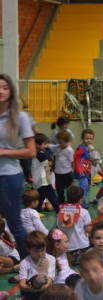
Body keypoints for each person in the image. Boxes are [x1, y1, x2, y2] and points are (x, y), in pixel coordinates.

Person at [0, 74, 36, 258]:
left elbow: (31, 151)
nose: (1, 91)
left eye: (5, 87)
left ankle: (28, 264)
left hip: (9, 176)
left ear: (11, 91)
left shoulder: (19, 117)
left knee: (14, 224)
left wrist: (3, 152)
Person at [57, 185, 92, 265]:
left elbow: (59, 228)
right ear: (80, 200)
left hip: (67, 249)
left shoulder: (61, 212)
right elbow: (88, 229)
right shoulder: (84, 212)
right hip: (82, 248)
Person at [19, 231, 56, 300]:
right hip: (30, 291)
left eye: (43, 250)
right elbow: (22, 284)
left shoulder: (51, 259)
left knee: (43, 279)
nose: (40, 254)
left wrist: (39, 289)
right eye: (36, 251)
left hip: (45, 290)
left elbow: (49, 280)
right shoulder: (24, 262)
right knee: (35, 278)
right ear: (28, 249)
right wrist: (31, 288)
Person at [32, 133, 60, 213]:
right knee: (52, 196)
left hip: (40, 180)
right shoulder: (37, 153)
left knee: (41, 197)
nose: (46, 145)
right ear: (37, 145)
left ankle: (34, 212)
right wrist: (49, 149)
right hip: (42, 179)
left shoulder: (40, 151)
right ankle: (59, 211)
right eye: (44, 144)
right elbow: (45, 156)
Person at [49, 130, 74, 204]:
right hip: (58, 173)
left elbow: (72, 162)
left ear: (67, 142)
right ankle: (61, 202)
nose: (59, 144)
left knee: (69, 189)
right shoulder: (58, 147)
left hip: (67, 173)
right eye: (58, 142)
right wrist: (45, 145)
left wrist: (72, 172)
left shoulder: (69, 150)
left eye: (61, 142)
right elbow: (51, 147)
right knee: (59, 189)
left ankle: (70, 202)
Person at [73, 128, 95, 209]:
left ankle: (83, 200)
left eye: (91, 139)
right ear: (82, 138)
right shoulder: (81, 148)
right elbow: (75, 157)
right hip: (82, 171)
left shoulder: (89, 149)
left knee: (87, 187)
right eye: (86, 138)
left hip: (87, 171)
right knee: (83, 187)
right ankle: (80, 202)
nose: (89, 140)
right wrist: (79, 169)